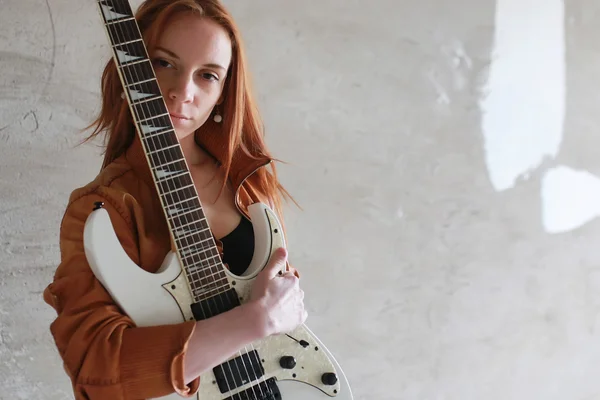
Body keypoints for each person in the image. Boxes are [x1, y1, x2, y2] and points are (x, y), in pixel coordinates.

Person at [42, 0, 308, 398]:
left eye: (207, 75)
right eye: (164, 63)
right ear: (130, 69)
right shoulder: (102, 208)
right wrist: (253, 321)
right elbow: (95, 370)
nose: (183, 93)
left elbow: (282, 303)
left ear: (223, 92)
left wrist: (284, 306)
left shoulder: (250, 184)